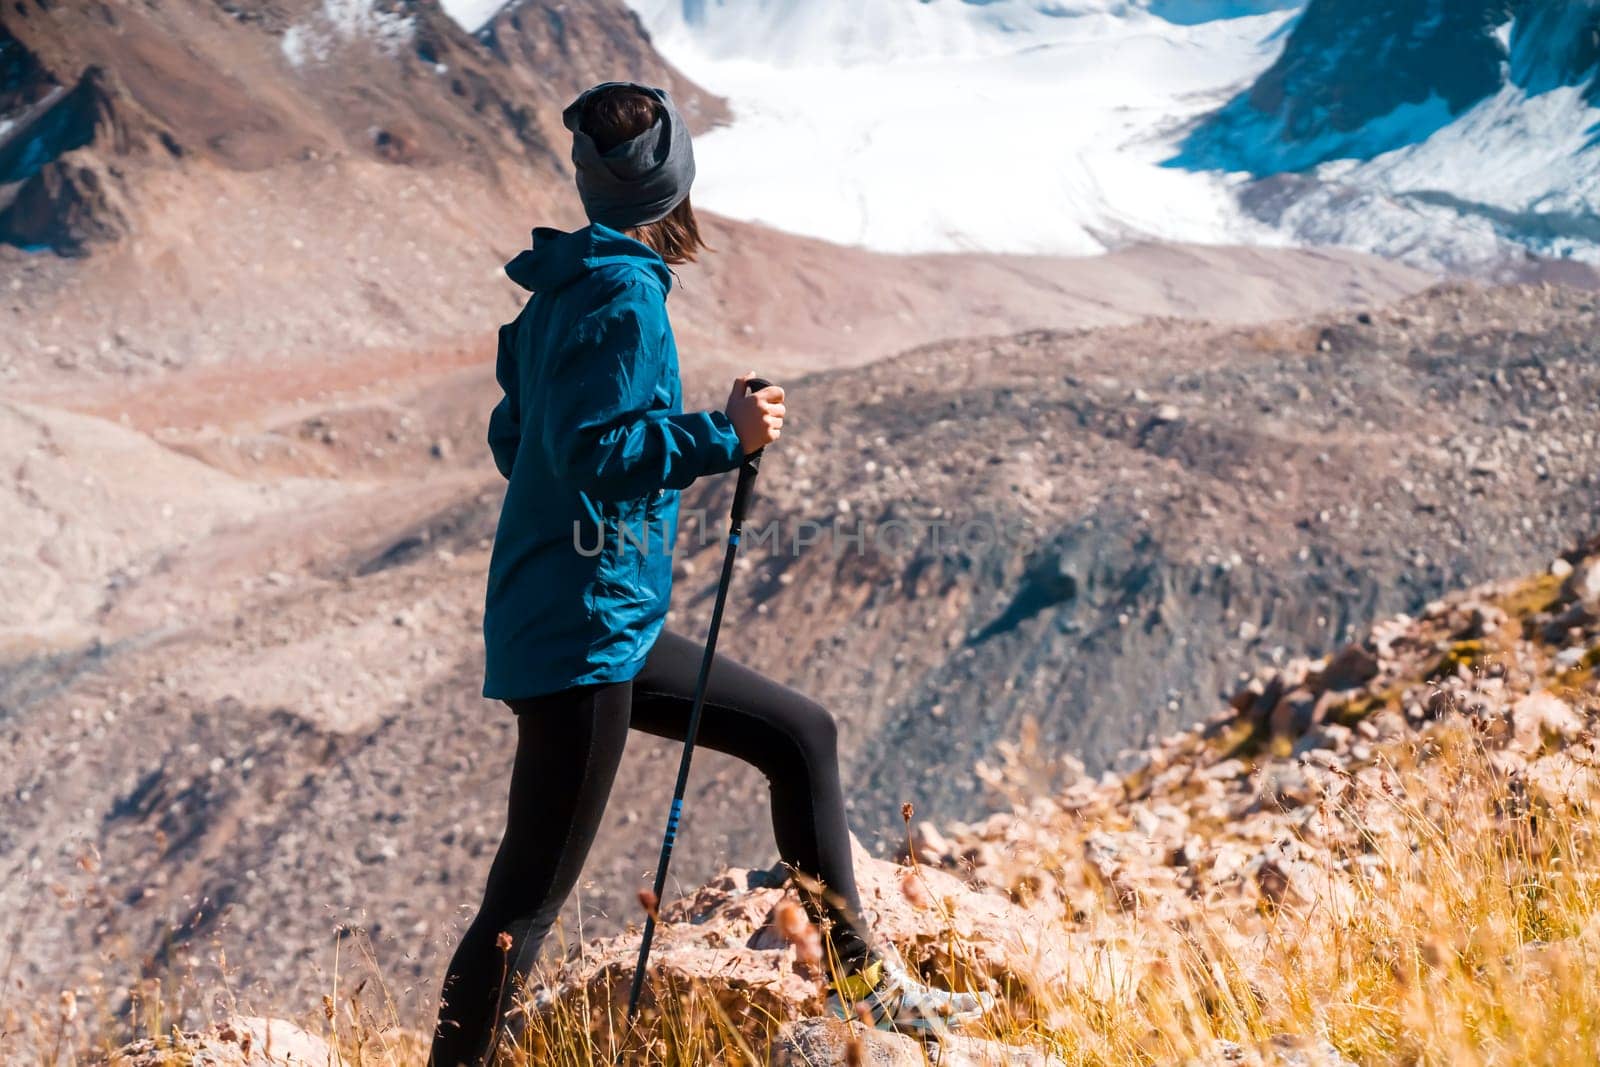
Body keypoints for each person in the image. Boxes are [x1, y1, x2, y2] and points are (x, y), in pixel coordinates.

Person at [427, 81, 993, 1067]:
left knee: (799, 731)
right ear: (676, 180)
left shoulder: (560, 284)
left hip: (597, 617)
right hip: (582, 640)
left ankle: (866, 983)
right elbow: (590, 448)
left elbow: (518, 439)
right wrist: (723, 435)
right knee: (523, 903)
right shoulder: (622, 291)